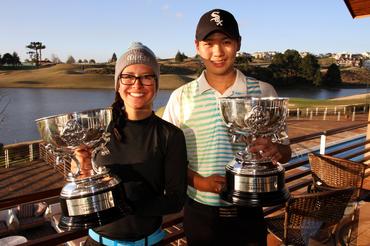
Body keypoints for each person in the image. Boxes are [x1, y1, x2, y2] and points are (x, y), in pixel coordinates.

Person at [162, 9, 292, 246]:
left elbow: (286, 152)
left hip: (249, 211)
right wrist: (199, 182)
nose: (218, 52)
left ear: (238, 44)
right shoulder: (180, 97)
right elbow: (170, 162)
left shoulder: (264, 92)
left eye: (226, 42)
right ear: (197, 46)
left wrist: (275, 150)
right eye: (208, 43)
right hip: (199, 214)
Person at [75, 42, 188, 246]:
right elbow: (86, 187)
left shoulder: (170, 135)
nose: (137, 84)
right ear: (118, 83)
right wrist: (82, 167)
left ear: (156, 83)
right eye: (128, 77)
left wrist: (128, 204)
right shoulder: (96, 130)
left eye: (146, 76)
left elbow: (176, 200)